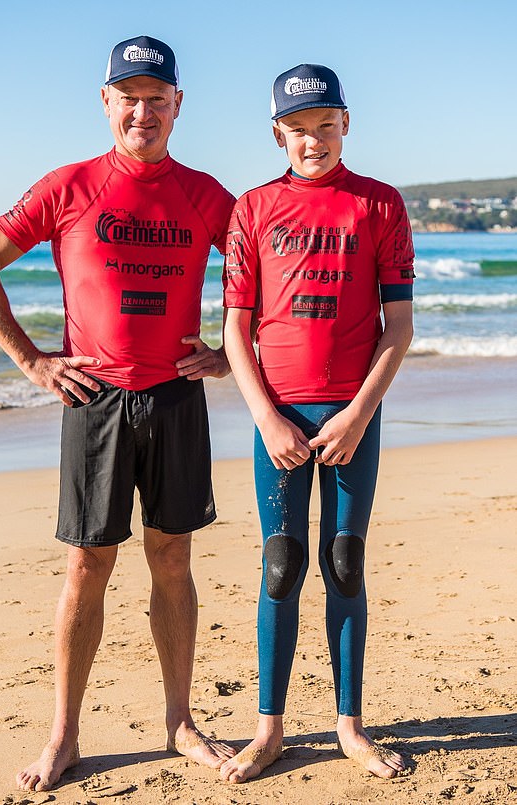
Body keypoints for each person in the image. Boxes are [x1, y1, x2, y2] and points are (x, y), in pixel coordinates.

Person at [0, 35, 236, 792]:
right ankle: (65, 736)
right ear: (106, 102)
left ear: (179, 103)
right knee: (87, 565)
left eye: (156, 97)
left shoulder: (206, 194)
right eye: (128, 96)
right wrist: (31, 359)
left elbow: (264, 273)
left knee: (173, 558)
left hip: (176, 395)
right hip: (95, 398)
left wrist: (230, 353)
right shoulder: (68, 185)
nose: (142, 110)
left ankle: (179, 722)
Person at [220, 63, 414, 783]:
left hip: (352, 417)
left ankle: (349, 727)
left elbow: (399, 327)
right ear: (278, 133)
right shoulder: (253, 209)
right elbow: (237, 333)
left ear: (347, 123)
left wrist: (361, 412)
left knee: (344, 562)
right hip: (280, 419)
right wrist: (266, 417)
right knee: (281, 566)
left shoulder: (380, 205)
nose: (313, 142)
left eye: (325, 126)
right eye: (298, 130)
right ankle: (268, 729)